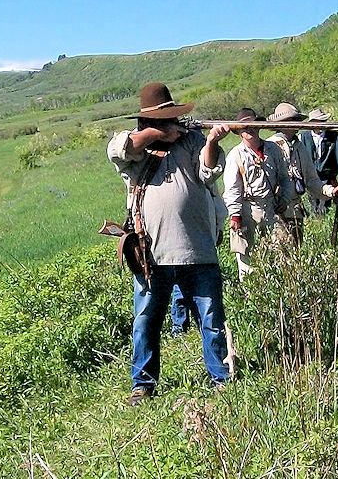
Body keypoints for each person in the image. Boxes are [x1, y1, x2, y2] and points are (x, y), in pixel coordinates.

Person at [107, 82, 232, 406]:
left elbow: (207, 173)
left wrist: (213, 141)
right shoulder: (137, 149)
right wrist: (159, 134)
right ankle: (143, 385)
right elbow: (117, 149)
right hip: (151, 253)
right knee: (146, 321)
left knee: (211, 318)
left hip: (197, 247)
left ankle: (221, 379)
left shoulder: (191, 140)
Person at [223, 107, 293, 279]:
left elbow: (285, 178)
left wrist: (284, 199)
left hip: (271, 207)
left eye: (253, 125)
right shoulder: (235, 155)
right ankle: (251, 296)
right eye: (245, 127)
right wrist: (235, 215)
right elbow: (232, 189)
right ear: (239, 131)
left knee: (280, 255)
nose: (250, 129)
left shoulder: (274, 150)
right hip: (247, 209)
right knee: (246, 260)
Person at [266, 102, 338, 245]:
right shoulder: (269, 147)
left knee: (296, 253)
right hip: (276, 212)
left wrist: (331, 191)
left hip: (296, 211)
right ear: (282, 123)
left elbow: (312, 180)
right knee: (281, 255)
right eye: (292, 120)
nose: (296, 123)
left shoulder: (299, 146)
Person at [301, 108, 338, 215]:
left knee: (326, 209)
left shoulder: (333, 137)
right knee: (314, 207)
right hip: (310, 180)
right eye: (319, 121)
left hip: (329, 179)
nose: (322, 124)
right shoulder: (303, 138)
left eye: (323, 121)